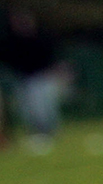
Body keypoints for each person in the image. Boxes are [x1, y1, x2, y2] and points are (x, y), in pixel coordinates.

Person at [1, 9, 62, 151]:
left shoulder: (40, 37)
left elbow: (50, 55)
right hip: (23, 78)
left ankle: (47, 131)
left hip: (41, 76)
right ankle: (36, 132)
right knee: (28, 107)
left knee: (42, 105)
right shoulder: (12, 40)